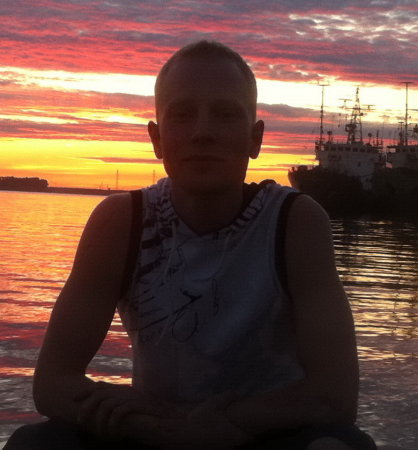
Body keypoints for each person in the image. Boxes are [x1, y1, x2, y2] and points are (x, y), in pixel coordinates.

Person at [5, 41, 376, 450]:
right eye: (182, 115)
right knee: (35, 444)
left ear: (254, 138)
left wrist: (220, 423)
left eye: (225, 114)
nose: (203, 132)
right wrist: (153, 423)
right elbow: (52, 383)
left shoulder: (294, 223)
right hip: (150, 432)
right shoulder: (121, 222)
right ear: (157, 138)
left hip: (264, 433)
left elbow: (335, 395)